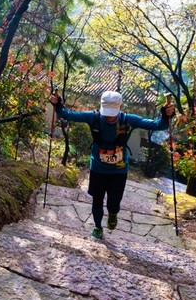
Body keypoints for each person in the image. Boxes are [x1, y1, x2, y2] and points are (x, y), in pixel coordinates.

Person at [50, 89, 174, 239]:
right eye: (107, 112)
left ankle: (113, 214)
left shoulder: (128, 119)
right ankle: (97, 226)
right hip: (98, 167)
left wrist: (166, 114)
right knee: (97, 200)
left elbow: (158, 125)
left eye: (112, 112)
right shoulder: (93, 117)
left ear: (120, 107)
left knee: (114, 203)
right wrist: (58, 103)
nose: (109, 117)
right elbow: (66, 114)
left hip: (119, 170)